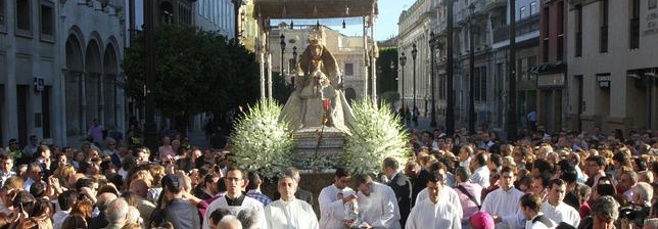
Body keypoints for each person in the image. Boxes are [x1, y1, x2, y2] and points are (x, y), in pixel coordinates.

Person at [280, 27, 355, 132]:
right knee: (295, 97)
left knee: (337, 95)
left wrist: (324, 79)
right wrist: (309, 80)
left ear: (321, 49)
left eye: (317, 49)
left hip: (325, 86)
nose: (315, 52)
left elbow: (333, 75)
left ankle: (331, 119)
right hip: (309, 87)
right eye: (312, 49)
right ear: (310, 51)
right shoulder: (306, 61)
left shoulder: (327, 61)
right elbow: (301, 75)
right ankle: (296, 123)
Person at [382, 157, 412, 226]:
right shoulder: (401, 178)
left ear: (389, 169)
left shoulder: (397, 183)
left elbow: (391, 205)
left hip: (401, 221)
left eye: (383, 169)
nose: (383, 172)